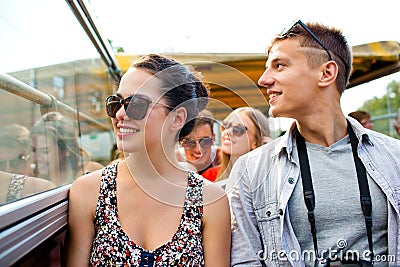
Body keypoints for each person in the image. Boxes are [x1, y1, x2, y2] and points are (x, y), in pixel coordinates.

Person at [227, 20, 400, 266]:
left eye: (280, 65)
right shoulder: (251, 170)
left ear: (326, 73)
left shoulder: (395, 158)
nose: (264, 80)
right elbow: (245, 261)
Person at [66, 54, 231, 266]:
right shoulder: (88, 191)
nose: (120, 114)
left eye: (137, 104)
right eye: (116, 103)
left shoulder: (211, 201)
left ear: (177, 118)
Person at [30, 111, 103, 186]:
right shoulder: (33, 179)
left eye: (45, 151)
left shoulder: (91, 172)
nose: (36, 158)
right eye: (33, 150)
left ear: (66, 150)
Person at [202, 107, 271, 182]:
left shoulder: (269, 178)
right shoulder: (209, 176)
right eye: (226, 126)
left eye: (238, 129)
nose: (227, 132)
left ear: (256, 142)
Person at [0, 124, 54, 203]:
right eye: (1, 164)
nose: (8, 169)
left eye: (16, 162)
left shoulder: (45, 189)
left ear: (33, 158)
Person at [176, 109, 221, 177]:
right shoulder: (173, 162)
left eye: (205, 141)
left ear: (213, 138)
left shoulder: (222, 158)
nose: (198, 149)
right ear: (180, 142)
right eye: (190, 142)